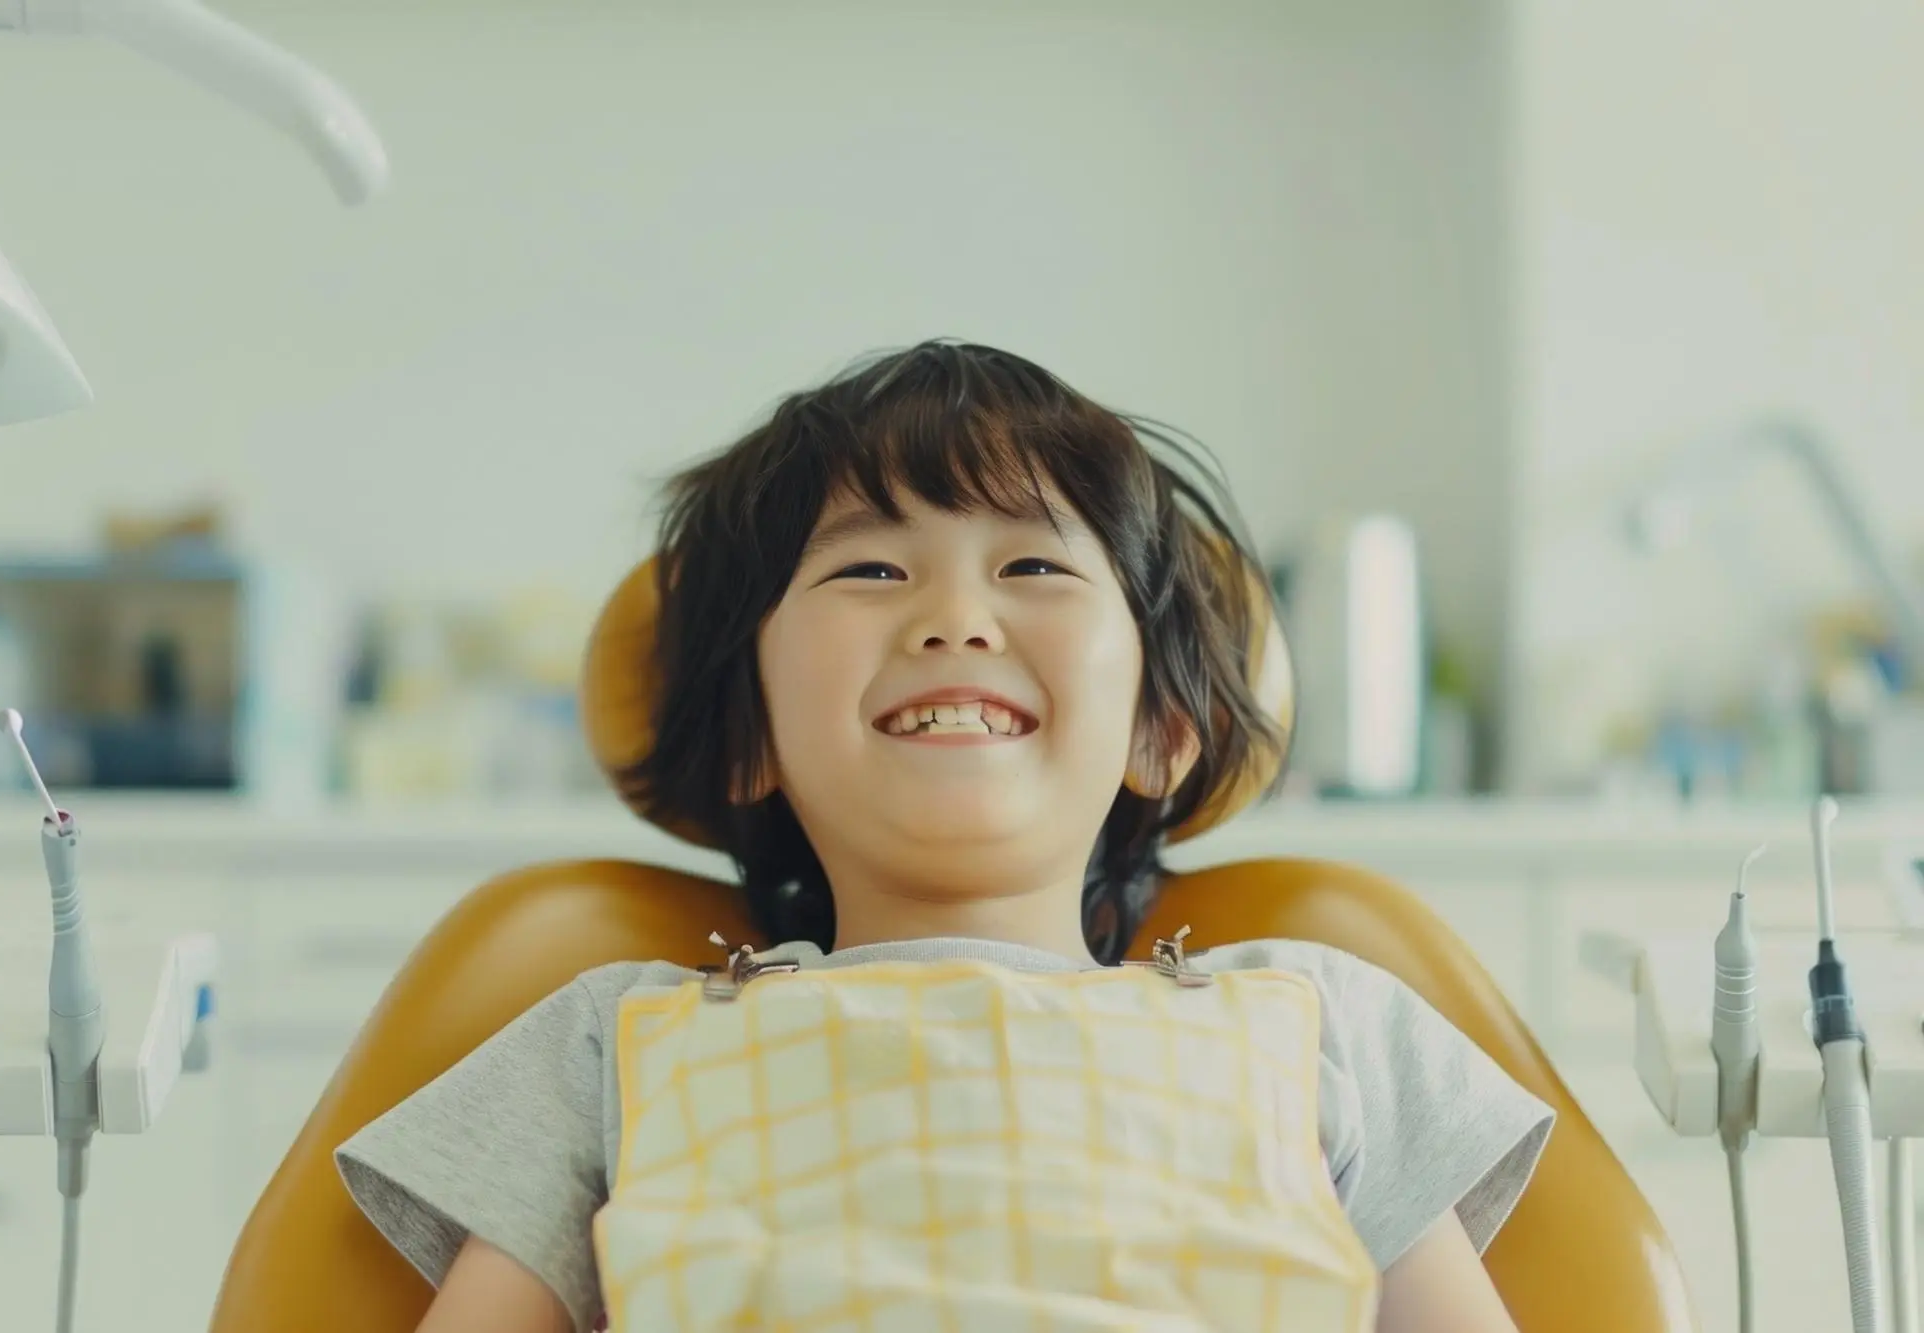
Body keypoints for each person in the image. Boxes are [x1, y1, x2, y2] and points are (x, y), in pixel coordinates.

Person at [335, 341, 1554, 1333]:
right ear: (750, 739)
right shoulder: (609, 1042)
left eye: (1029, 561)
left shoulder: (1324, 1025)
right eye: (868, 568)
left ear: (1159, 733)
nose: (953, 617)